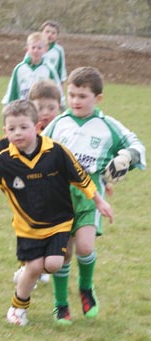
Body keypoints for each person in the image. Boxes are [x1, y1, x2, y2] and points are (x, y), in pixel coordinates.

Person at [0, 99, 113, 326]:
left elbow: (80, 177)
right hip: (27, 228)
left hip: (59, 223)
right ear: (5, 132)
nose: (18, 133)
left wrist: (99, 201)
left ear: (37, 127)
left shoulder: (56, 152)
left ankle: (32, 276)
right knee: (36, 267)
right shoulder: (4, 162)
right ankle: (18, 307)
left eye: (23, 127)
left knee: (54, 264)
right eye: (12, 129)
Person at [42, 67, 146, 325]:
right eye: (72, 95)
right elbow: (37, 149)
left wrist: (125, 157)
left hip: (89, 194)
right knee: (63, 253)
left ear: (97, 98)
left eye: (82, 96)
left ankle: (85, 288)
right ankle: (60, 304)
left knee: (86, 247)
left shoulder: (107, 126)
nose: (75, 101)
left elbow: (137, 146)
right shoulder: (59, 123)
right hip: (58, 196)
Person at [0, 80, 62, 286]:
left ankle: (41, 266)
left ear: (60, 108)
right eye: (40, 108)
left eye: (51, 107)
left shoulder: (63, 131)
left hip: (56, 196)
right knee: (29, 228)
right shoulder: (22, 132)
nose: (45, 112)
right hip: (23, 192)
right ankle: (29, 267)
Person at [1, 32, 65, 109]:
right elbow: (12, 90)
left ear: (45, 49)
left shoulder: (49, 69)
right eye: (33, 47)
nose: (36, 51)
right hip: (23, 110)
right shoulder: (19, 69)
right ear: (28, 48)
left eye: (39, 48)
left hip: (42, 111)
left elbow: (57, 90)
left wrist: (62, 107)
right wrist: (7, 106)